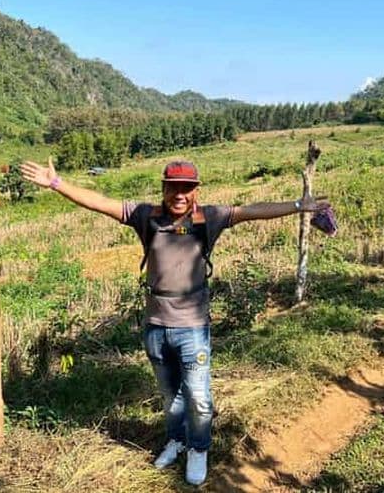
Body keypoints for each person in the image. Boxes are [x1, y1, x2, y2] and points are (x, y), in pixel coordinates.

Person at [20, 158, 328, 486]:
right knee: (170, 396)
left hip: (192, 326)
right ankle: (177, 439)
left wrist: (298, 205)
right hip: (154, 325)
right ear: (163, 188)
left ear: (196, 190)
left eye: (186, 187)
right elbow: (101, 203)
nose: (179, 194)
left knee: (197, 395)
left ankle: (198, 448)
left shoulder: (208, 218)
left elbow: (250, 210)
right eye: (173, 187)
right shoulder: (146, 216)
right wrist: (57, 184)